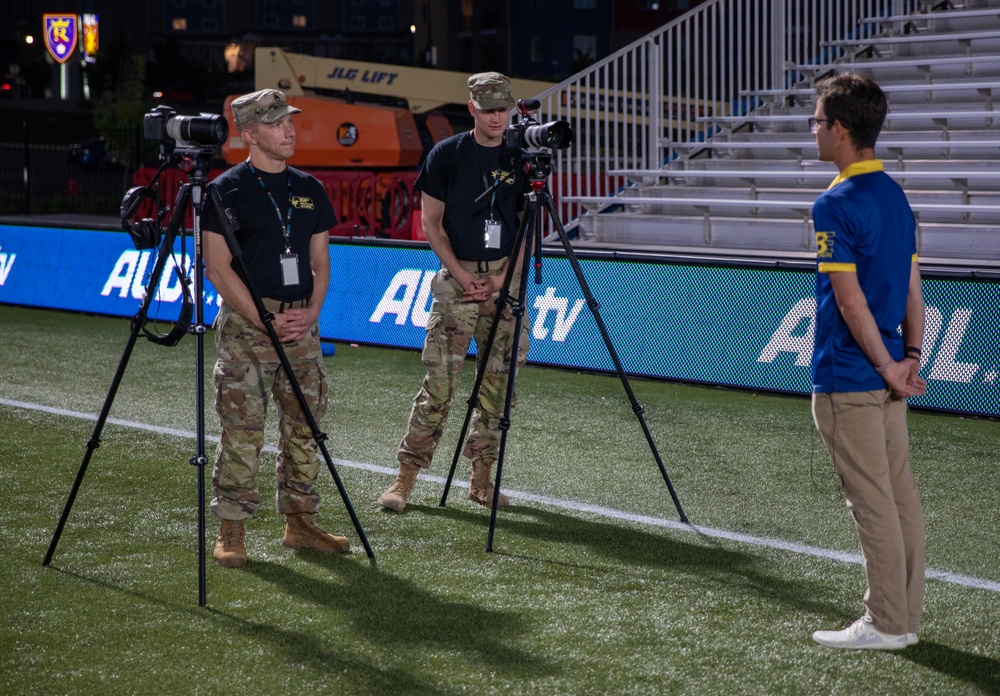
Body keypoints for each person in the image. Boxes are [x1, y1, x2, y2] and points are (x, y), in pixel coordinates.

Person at [203, 88, 349, 567]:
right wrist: (261, 318)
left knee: (305, 425)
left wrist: (311, 314)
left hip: (300, 324)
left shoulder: (310, 188)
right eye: (276, 123)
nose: (289, 130)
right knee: (242, 431)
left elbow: (320, 260)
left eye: (289, 120)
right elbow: (217, 267)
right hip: (249, 326)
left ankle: (300, 523)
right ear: (249, 134)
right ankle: (232, 529)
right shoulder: (226, 190)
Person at [808, 72, 927, 650]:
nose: (814, 131)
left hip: (851, 375)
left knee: (872, 502)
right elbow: (912, 286)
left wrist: (885, 365)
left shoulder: (834, 202)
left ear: (840, 128)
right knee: (900, 496)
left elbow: (851, 302)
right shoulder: (896, 195)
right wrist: (908, 357)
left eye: (817, 121)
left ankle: (884, 622)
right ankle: (903, 620)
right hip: (886, 372)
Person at [377, 72, 531, 512]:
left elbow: (528, 226)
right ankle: (404, 479)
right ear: (472, 110)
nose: (498, 117)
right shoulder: (447, 154)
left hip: (506, 279)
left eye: (503, 108)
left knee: (500, 389)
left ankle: (481, 480)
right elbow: (431, 223)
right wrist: (463, 277)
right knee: (439, 386)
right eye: (489, 110)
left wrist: (502, 280)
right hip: (456, 282)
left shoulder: (522, 155)